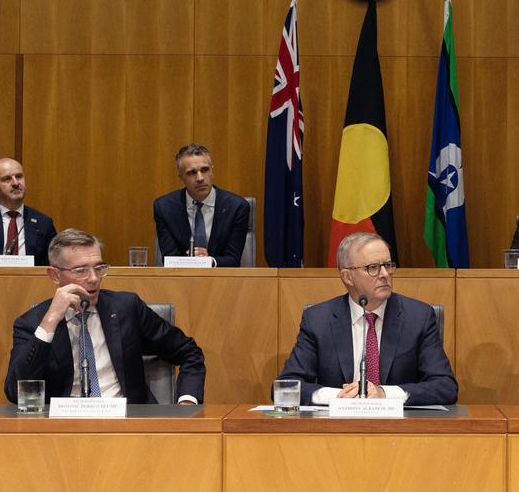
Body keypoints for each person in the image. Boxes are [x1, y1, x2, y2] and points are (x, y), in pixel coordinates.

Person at [4, 228, 205, 404]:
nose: (93, 279)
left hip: (127, 424)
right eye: (81, 270)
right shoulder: (31, 323)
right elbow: (15, 392)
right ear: (54, 275)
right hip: (64, 429)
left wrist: (187, 402)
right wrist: (50, 321)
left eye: (99, 268)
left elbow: (188, 352)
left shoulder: (127, 308)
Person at [278, 232, 458, 405]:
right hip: (336, 429)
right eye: (373, 268)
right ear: (348, 277)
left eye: (387, 265)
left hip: (400, 429)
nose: (385, 274)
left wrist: (385, 394)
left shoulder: (418, 317)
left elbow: (445, 386)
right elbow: (286, 386)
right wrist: (337, 396)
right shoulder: (318, 319)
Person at [153, 144, 250, 267]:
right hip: (181, 280)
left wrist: (208, 261)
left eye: (205, 170)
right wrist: (194, 262)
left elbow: (233, 259)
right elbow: (169, 258)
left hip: (222, 281)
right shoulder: (164, 207)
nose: (200, 178)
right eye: (191, 173)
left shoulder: (237, 207)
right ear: (181, 177)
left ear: (212, 171)